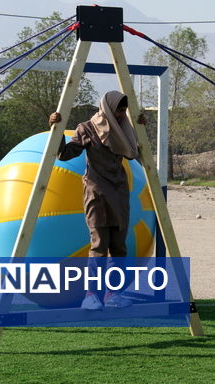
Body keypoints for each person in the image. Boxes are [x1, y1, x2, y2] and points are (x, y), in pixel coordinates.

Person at [48, 90, 146, 310]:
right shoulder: (88, 128)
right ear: (109, 107)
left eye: (123, 110)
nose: (121, 114)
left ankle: (113, 293)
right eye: (118, 109)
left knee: (119, 246)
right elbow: (64, 154)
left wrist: (141, 127)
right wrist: (55, 128)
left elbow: (135, 152)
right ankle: (91, 294)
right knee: (99, 244)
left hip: (119, 192)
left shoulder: (125, 130)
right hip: (97, 192)